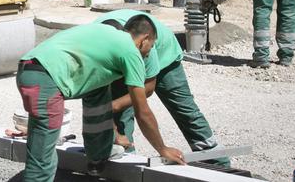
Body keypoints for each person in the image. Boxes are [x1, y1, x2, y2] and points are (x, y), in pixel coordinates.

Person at [16, 16, 185, 181]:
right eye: (152, 46)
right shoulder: (130, 51)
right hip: (44, 80)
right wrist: (162, 149)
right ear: (145, 39)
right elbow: (142, 111)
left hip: (31, 70)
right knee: (42, 162)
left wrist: (112, 135)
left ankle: (98, 156)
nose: (148, 54)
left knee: (98, 90)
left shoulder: (107, 33)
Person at [92, 9, 229, 167]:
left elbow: (147, 91)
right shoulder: (99, 46)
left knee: (184, 110)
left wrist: (113, 106)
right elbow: (97, 93)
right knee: (120, 114)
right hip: (122, 51)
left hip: (166, 59)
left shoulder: (146, 49)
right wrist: (112, 125)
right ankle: (123, 160)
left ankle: (217, 161)